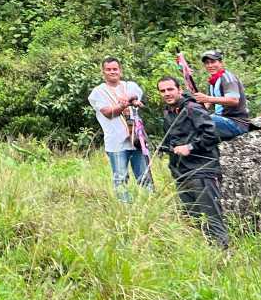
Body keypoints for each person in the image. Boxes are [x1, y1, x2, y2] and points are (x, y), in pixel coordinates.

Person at [155, 75, 228, 248]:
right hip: (181, 173)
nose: (167, 93)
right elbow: (172, 141)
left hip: (202, 170)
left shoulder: (192, 108)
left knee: (212, 216)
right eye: (163, 91)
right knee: (192, 218)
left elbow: (212, 134)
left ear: (179, 90)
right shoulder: (168, 112)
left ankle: (224, 255)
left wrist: (191, 147)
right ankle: (205, 252)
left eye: (170, 89)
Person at [88, 57, 152, 200]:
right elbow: (107, 113)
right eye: (108, 69)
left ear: (120, 70)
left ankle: (150, 203)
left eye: (115, 69)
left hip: (137, 139)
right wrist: (124, 104)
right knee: (121, 177)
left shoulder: (130, 85)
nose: (112, 72)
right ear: (103, 72)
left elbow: (137, 96)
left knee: (144, 175)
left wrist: (130, 98)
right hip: (116, 142)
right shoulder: (98, 92)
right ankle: (125, 207)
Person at [194, 50, 252, 139]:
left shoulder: (227, 78)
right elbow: (207, 104)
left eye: (213, 62)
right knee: (193, 118)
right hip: (221, 118)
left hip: (236, 122)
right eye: (207, 63)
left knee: (205, 120)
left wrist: (207, 98)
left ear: (221, 63)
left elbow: (234, 100)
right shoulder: (212, 81)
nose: (210, 65)